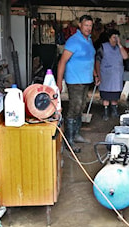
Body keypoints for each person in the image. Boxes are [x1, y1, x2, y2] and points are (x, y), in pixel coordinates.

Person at [57, 15, 100, 153]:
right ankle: (68, 141)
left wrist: (95, 74)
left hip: (86, 79)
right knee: (74, 108)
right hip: (75, 80)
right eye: (86, 25)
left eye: (90, 26)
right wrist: (59, 82)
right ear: (80, 25)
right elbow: (62, 62)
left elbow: (90, 58)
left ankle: (75, 134)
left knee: (81, 106)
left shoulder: (88, 40)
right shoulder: (73, 41)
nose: (88, 28)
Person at [95, 29, 128, 121]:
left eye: (117, 37)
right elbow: (97, 61)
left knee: (115, 95)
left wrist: (120, 45)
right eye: (114, 37)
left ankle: (114, 111)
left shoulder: (119, 48)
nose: (116, 39)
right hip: (106, 75)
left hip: (116, 76)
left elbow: (125, 57)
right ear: (109, 38)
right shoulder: (103, 47)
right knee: (105, 95)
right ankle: (105, 112)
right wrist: (98, 75)